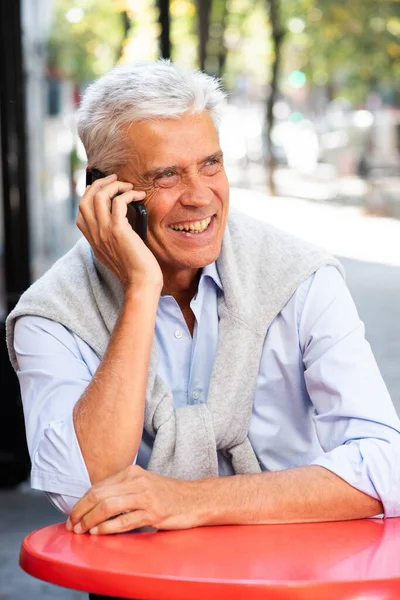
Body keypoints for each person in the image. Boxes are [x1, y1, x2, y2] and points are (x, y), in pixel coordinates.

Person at [6, 60, 400, 539]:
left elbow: (386, 465)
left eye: (211, 164)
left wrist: (189, 501)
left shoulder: (300, 276)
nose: (200, 197)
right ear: (102, 189)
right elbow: (80, 488)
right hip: (137, 585)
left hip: (294, 573)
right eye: (166, 175)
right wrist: (141, 289)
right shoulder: (52, 314)